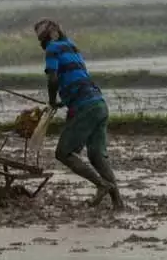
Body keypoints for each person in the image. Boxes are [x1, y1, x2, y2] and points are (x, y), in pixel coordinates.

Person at [33, 18, 124, 210]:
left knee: (63, 153)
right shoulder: (71, 46)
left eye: (42, 37)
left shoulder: (52, 48)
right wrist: (64, 102)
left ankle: (101, 185)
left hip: (85, 107)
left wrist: (51, 101)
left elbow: (53, 79)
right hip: (99, 104)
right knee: (96, 155)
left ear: (50, 34)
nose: (42, 41)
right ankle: (118, 203)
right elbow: (75, 78)